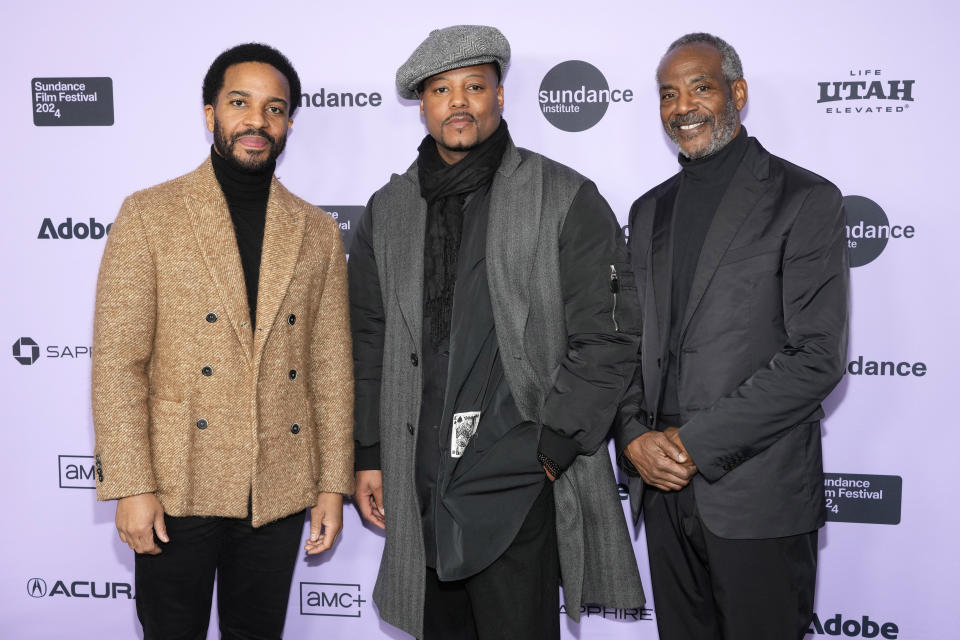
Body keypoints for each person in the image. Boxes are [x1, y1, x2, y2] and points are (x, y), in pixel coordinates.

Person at [349, 24, 644, 640]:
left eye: (474, 87)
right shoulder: (390, 208)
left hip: (517, 477)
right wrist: (371, 454)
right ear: (423, 105)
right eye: (441, 90)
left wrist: (554, 445)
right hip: (419, 473)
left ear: (500, 97)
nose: (458, 102)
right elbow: (370, 339)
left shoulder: (561, 196)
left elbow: (609, 335)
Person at [91, 42, 353, 639]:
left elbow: (331, 367)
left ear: (288, 123)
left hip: (277, 484)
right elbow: (117, 363)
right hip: (177, 480)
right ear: (211, 114)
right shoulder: (149, 213)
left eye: (275, 108)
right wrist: (132, 486)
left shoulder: (314, 229)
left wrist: (332, 485)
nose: (257, 121)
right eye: (241, 103)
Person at [615, 32, 849, 640]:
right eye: (668, 94)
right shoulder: (647, 212)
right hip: (663, 496)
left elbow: (817, 358)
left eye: (700, 87)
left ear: (736, 94)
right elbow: (624, 341)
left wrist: (694, 444)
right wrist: (634, 435)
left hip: (757, 496)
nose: (682, 106)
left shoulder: (804, 200)